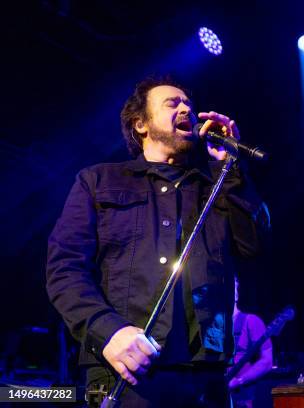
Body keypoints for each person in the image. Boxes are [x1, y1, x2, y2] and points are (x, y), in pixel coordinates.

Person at [46, 76, 269, 407]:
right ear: (140, 124)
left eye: (188, 105)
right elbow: (65, 269)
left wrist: (231, 170)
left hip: (205, 379)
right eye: (172, 103)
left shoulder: (215, 188)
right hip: (126, 374)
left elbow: (254, 245)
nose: (186, 109)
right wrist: (107, 331)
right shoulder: (98, 181)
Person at [229, 277, 273, 408]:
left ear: (236, 294)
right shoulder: (214, 326)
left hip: (244, 395)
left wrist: (239, 380)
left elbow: (267, 361)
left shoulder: (251, 321)